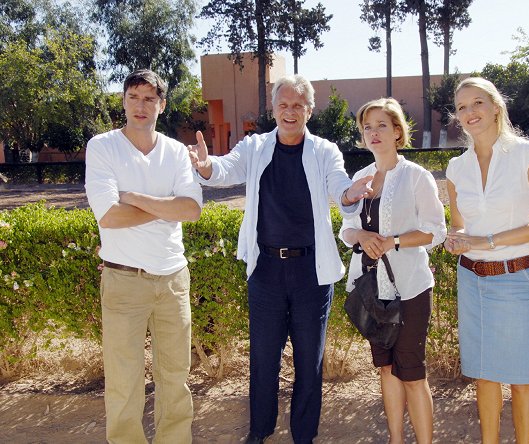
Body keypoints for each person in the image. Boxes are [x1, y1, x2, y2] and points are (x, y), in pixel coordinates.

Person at [187, 74, 372, 444]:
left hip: (311, 273)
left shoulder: (324, 151)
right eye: (283, 104)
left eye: (298, 105)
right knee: (264, 359)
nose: (290, 111)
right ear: (273, 109)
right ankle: (260, 430)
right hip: (266, 269)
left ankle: (304, 435)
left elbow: (339, 186)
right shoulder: (255, 146)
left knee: (309, 361)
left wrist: (350, 194)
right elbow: (225, 170)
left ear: (309, 110)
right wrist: (206, 166)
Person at [85, 69, 203, 443]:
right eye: (134, 97)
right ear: (123, 101)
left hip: (172, 280)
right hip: (124, 281)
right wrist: (167, 207)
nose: (141, 105)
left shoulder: (174, 151)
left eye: (150, 98)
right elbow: (109, 216)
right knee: (123, 381)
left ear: (161, 105)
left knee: (175, 379)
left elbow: (192, 210)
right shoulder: (102, 147)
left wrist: (134, 197)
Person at [444, 77, 529, 444]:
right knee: (485, 376)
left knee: (523, 381)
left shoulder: (528, 153)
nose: (470, 112)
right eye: (462, 107)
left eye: (477, 103)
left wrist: (489, 241)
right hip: (472, 280)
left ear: (496, 106)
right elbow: (460, 226)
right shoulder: (455, 168)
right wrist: (456, 240)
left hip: (518, 278)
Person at [339, 97, 447, 443]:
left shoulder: (417, 176)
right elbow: (347, 230)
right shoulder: (361, 177)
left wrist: (392, 241)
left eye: (382, 125)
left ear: (398, 131)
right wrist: (361, 235)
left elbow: (436, 231)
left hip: (411, 289)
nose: (374, 133)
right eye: (367, 127)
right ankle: (396, 440)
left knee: (412, 373)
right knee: (386, 369)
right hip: (373, 291)